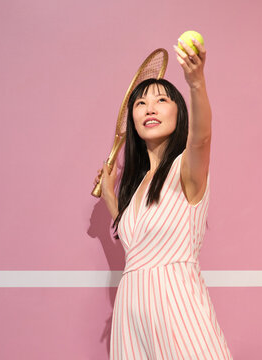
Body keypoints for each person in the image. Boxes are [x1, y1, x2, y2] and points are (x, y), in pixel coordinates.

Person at [94, 37, 233, 359]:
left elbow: (202, 137)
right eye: (140, 104)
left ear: (178, 113)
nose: (149, 108)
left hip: (177, 307)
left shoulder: (187, 168)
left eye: (161, 100)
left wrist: (195, 81)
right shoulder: (138, 183)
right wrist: (111, 196)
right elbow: (136, 241)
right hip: (132, 313)